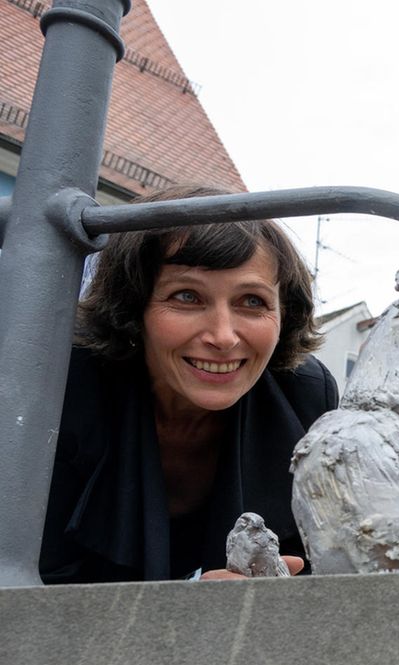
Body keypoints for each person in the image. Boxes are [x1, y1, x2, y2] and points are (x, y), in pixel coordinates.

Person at [40, 185, 338, 584]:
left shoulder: (304, 394)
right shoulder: (61, 383)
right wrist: (188, 609)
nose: (223, 336)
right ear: (133, 306)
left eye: (252, 301)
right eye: (186, 296)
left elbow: (320, 568)